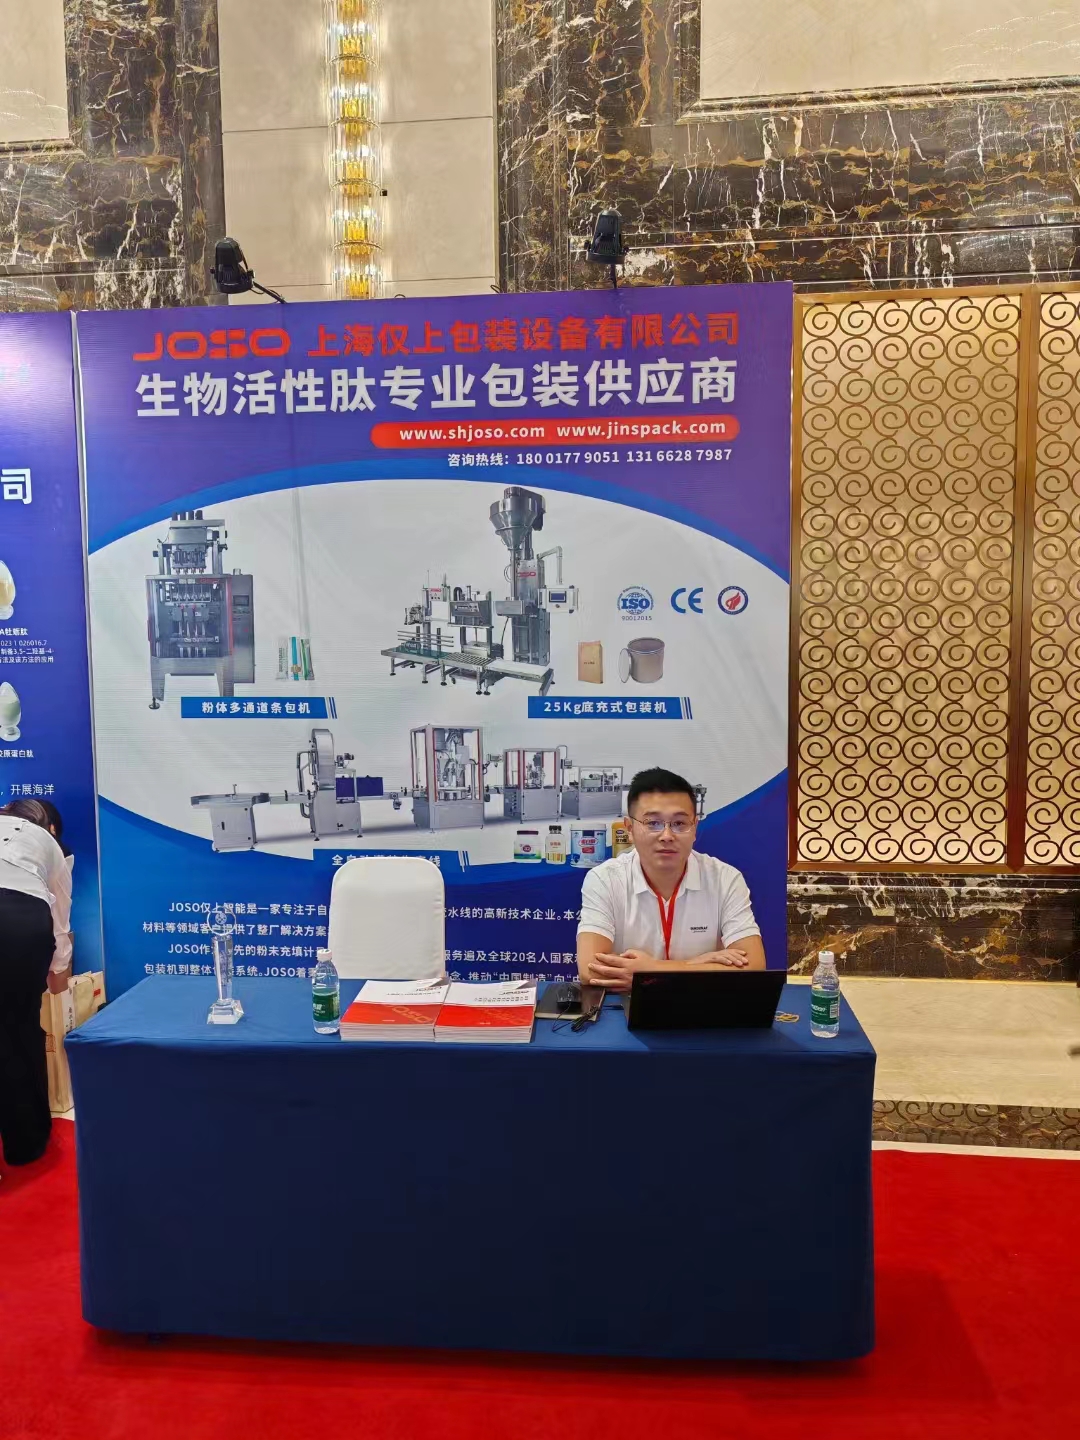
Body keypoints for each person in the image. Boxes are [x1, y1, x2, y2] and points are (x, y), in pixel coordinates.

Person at [577, 767, 765, 993]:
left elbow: (754, 967)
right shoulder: (605, 879)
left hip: (703, 1002)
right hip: (627, 1005)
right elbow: (590, 970)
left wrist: (651, 970)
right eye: (653, 823)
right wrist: (698, 964)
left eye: (679, 824)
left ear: (694, 828)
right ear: (629, 829)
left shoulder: (725, 879)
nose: (667, 836)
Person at [0, 799, 74, 1169]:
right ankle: (25, 1144)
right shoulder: (49, 845)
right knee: (17, 1030)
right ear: (52, 828)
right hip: (17, 920)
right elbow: (60, 924)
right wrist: (57, 973)